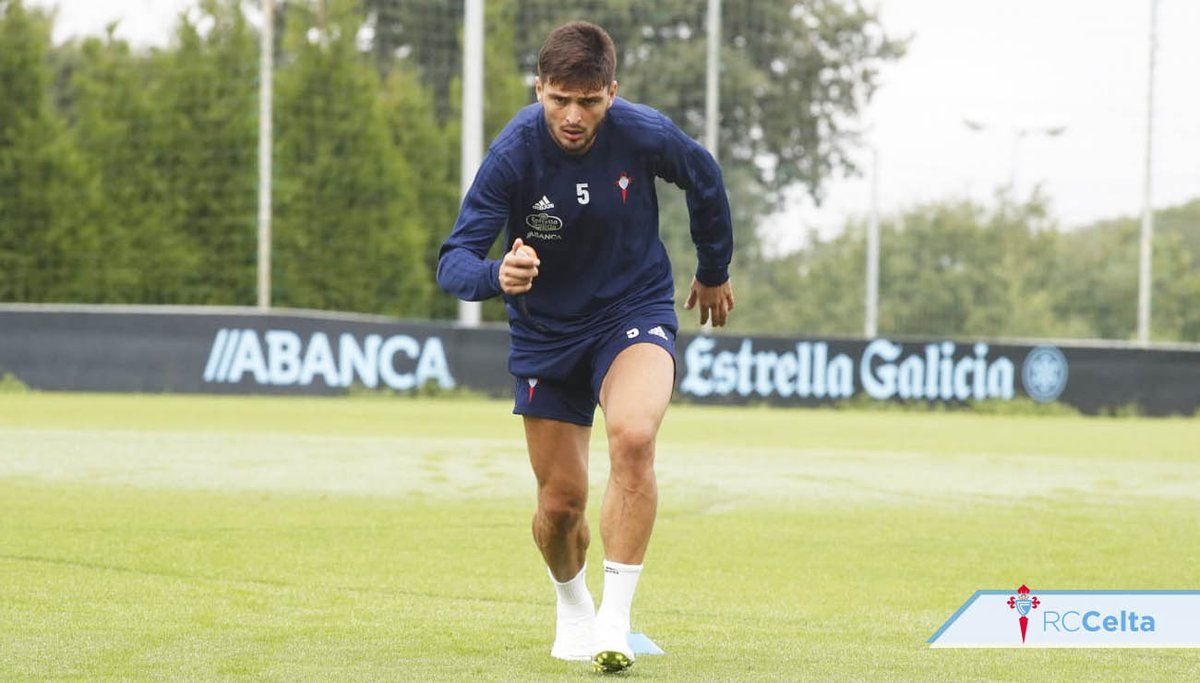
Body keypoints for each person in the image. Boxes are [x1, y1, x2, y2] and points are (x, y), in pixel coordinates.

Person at [436, 20, 734, 673]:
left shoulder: (644, 131)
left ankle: (615, 620)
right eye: (559, 99)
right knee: (558, 505)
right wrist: (496, 276)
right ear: (538, 87)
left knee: (632, 436)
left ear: (611, 93)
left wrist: (713, 269)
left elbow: (705, 178)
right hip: (545, 333)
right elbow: (453, 259)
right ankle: (573, 604)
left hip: (634, 311)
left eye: (590, 102)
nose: (573, 117)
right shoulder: (514, 150)